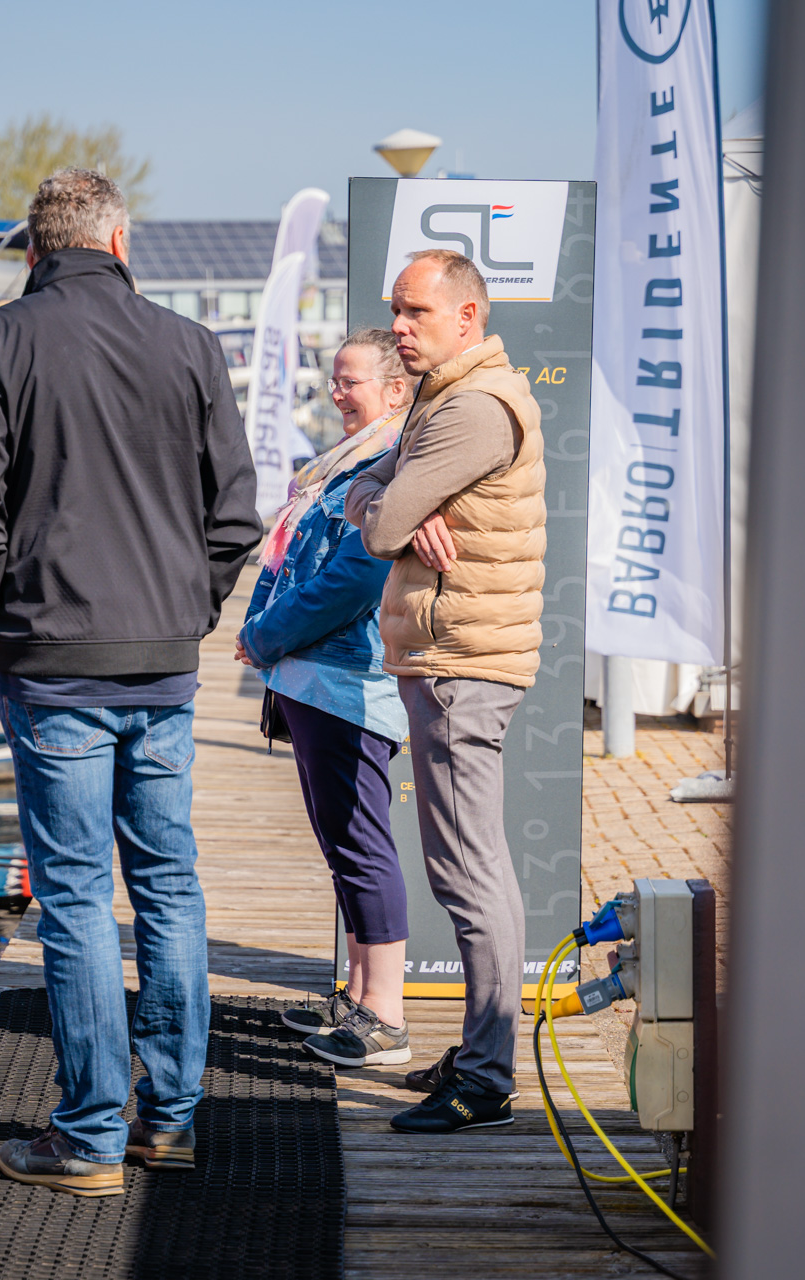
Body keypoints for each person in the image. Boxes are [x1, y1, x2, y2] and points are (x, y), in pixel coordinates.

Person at [0, 169, 261, 1196]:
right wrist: (187, 611)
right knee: (170, 884)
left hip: (52, 659)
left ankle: (87, 1136)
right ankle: (169, 1118)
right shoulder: (191, 342)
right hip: (161, 664)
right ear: (121, 243)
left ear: (38, 249)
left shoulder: (0, 339)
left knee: (74, 896)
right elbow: (235, 512)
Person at [345, 250, 546, 1135]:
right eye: (395, 310)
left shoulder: (470, 409)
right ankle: (478, 1055)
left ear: (468, 316)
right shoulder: (446, 399)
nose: (400, 326)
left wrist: (390, 501)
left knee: (470, 871)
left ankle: (488, 1080)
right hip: (447, 658)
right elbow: (362, 493)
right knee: (466, 866)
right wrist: (387, 496)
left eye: (417, 312)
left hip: (464, 664)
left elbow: (377, 517)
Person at [235, 328, 414, 1068]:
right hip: (319, 683)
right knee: (344, 844)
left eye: (352, 382)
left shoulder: (389, 465)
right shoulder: (349, 464)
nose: (337, 393)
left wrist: (267, 636)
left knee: (362, 845)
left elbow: (354, 580)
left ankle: (387, 1018)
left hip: (349, 685)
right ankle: (360, 997)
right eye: (333, 380)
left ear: (396, 391)